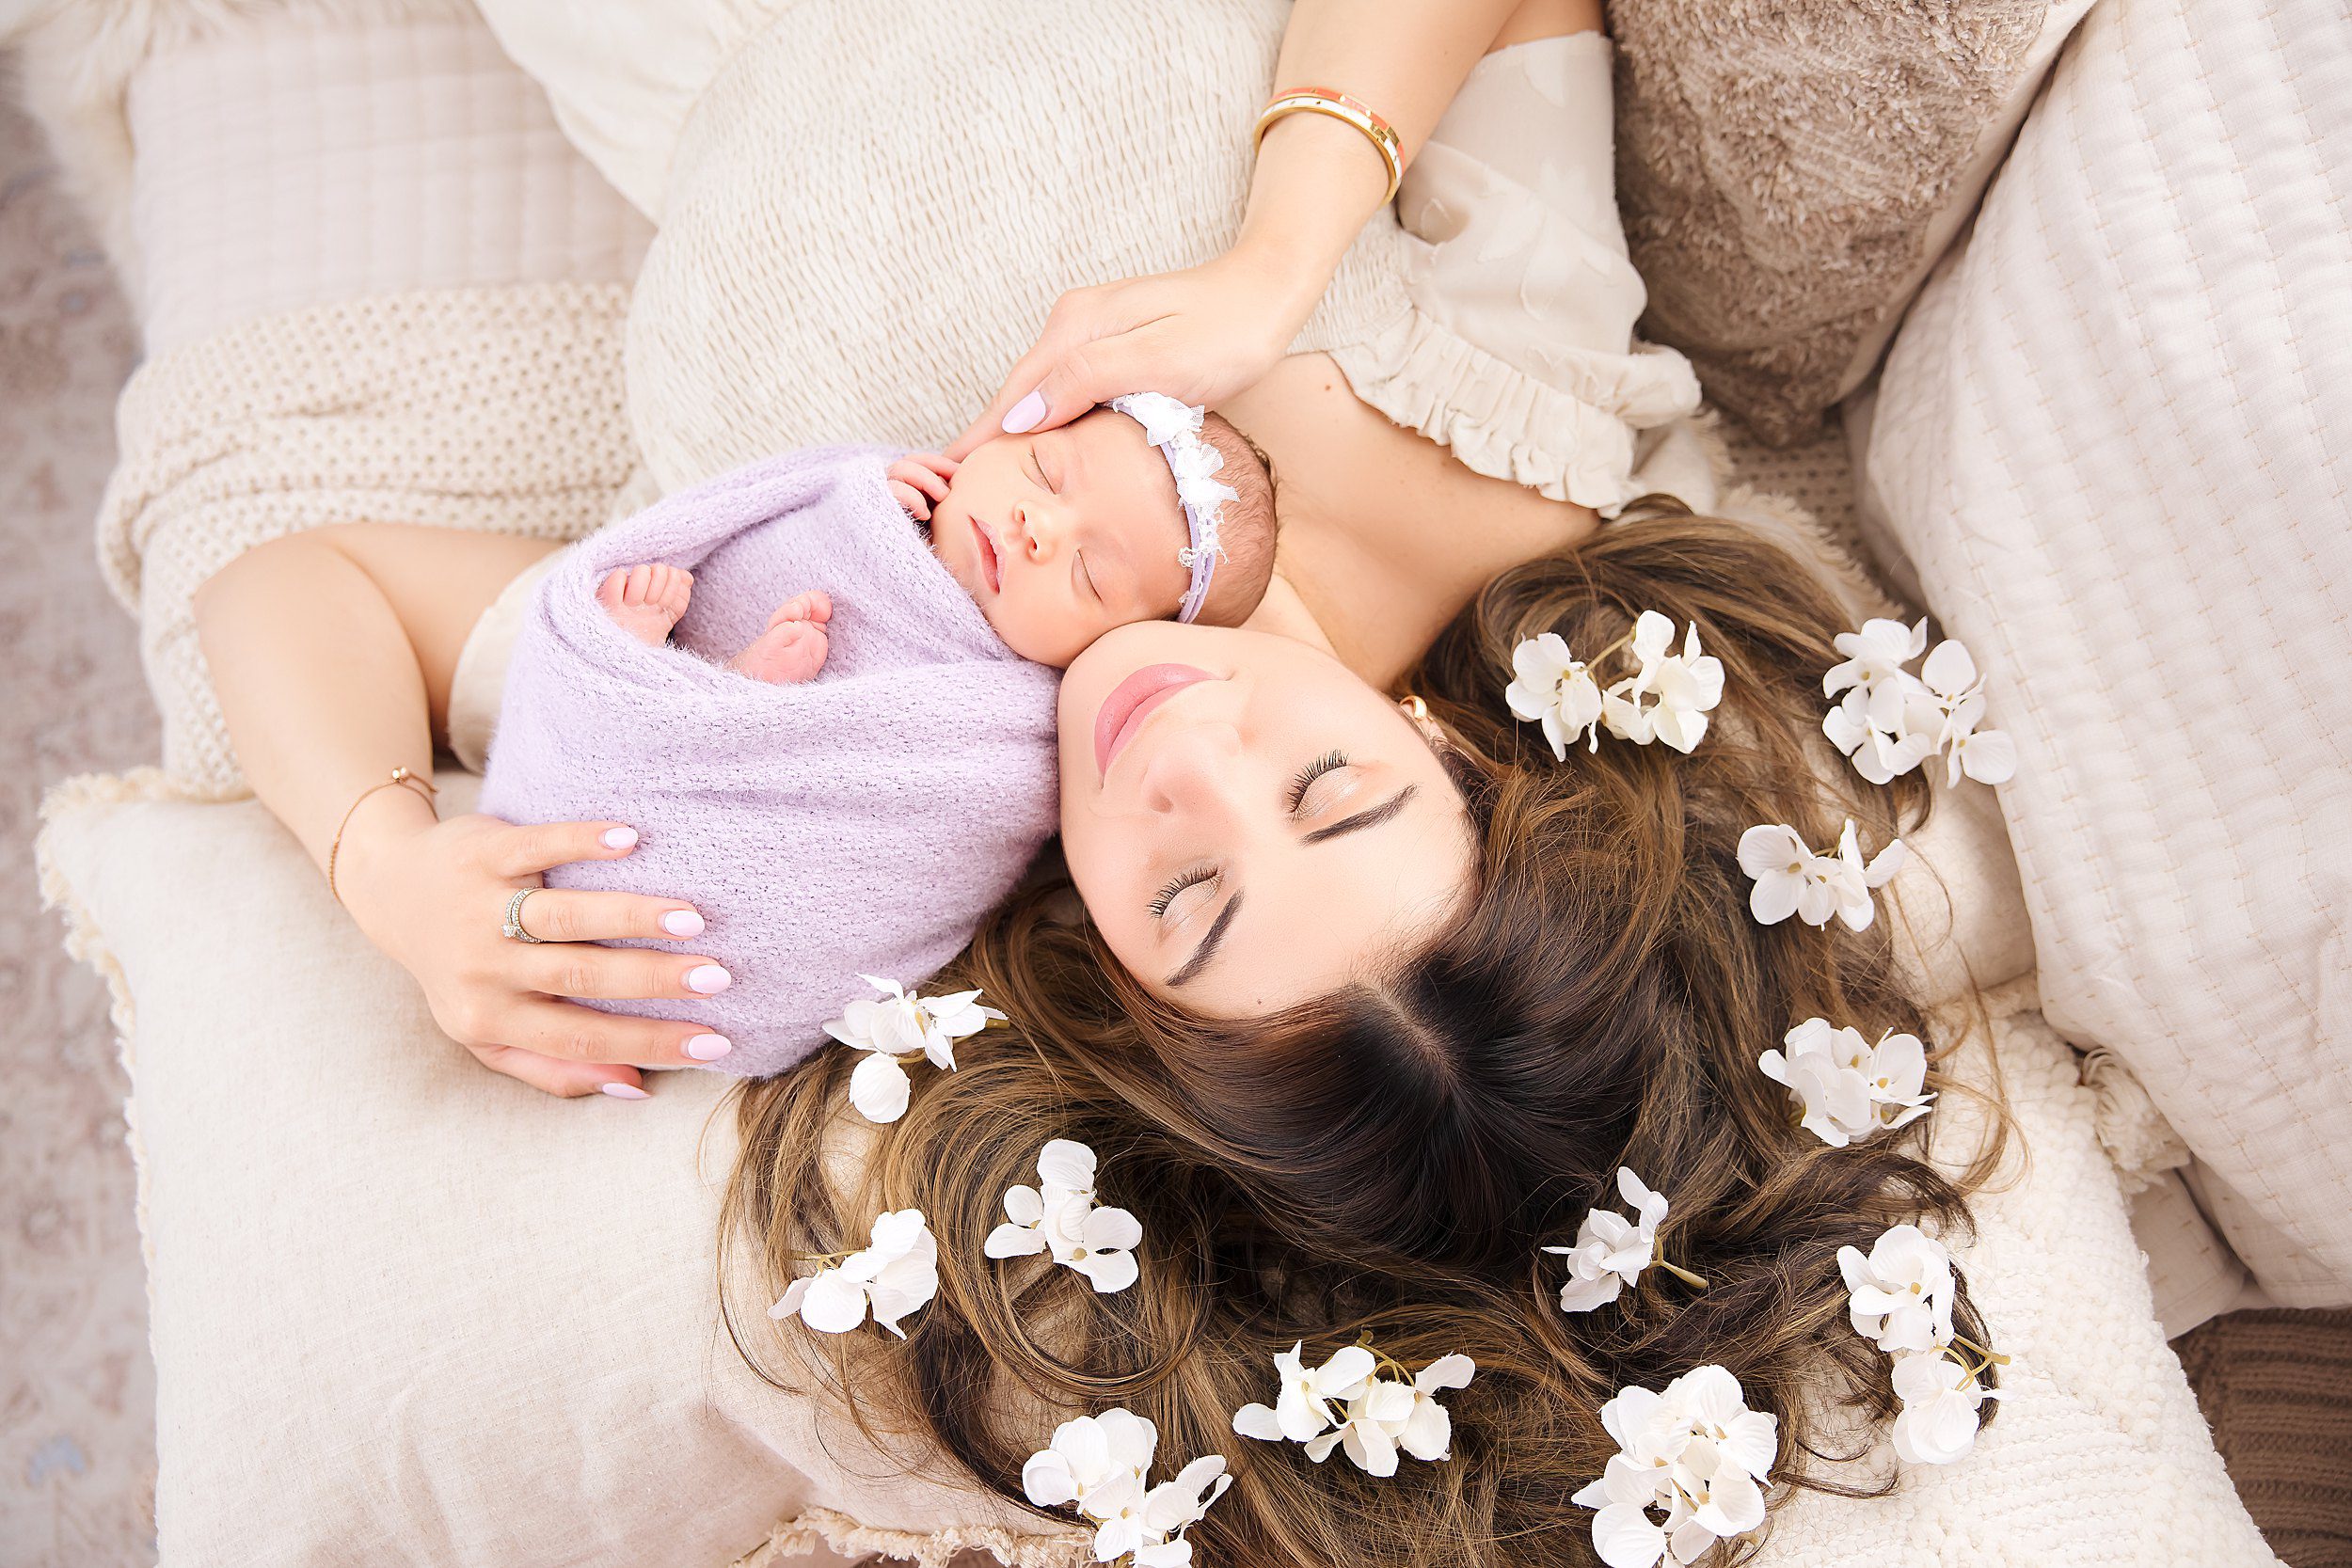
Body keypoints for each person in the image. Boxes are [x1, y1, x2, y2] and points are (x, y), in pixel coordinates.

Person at [193, 0, 1701, 1098]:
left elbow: (298, 586)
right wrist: (1278, 257)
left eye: (1187, 894)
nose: (1186, 763)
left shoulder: (862, 745)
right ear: (1444, 745)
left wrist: (392, 872)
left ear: (1136, 988)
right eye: (1327, 789)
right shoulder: (1504, 444)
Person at [467, 397, 1279, 1075]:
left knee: (761, 697)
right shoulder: (866, 502)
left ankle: (732, 691)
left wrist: (766, 715)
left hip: (706, 888)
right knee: (666, 625)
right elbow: (757, 543)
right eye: (1045, 469)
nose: (1039, 527)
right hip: (593, 750)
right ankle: (675, 676)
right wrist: (868, 495)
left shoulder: (1014, 732)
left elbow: (892, 839)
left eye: (1089, 574)